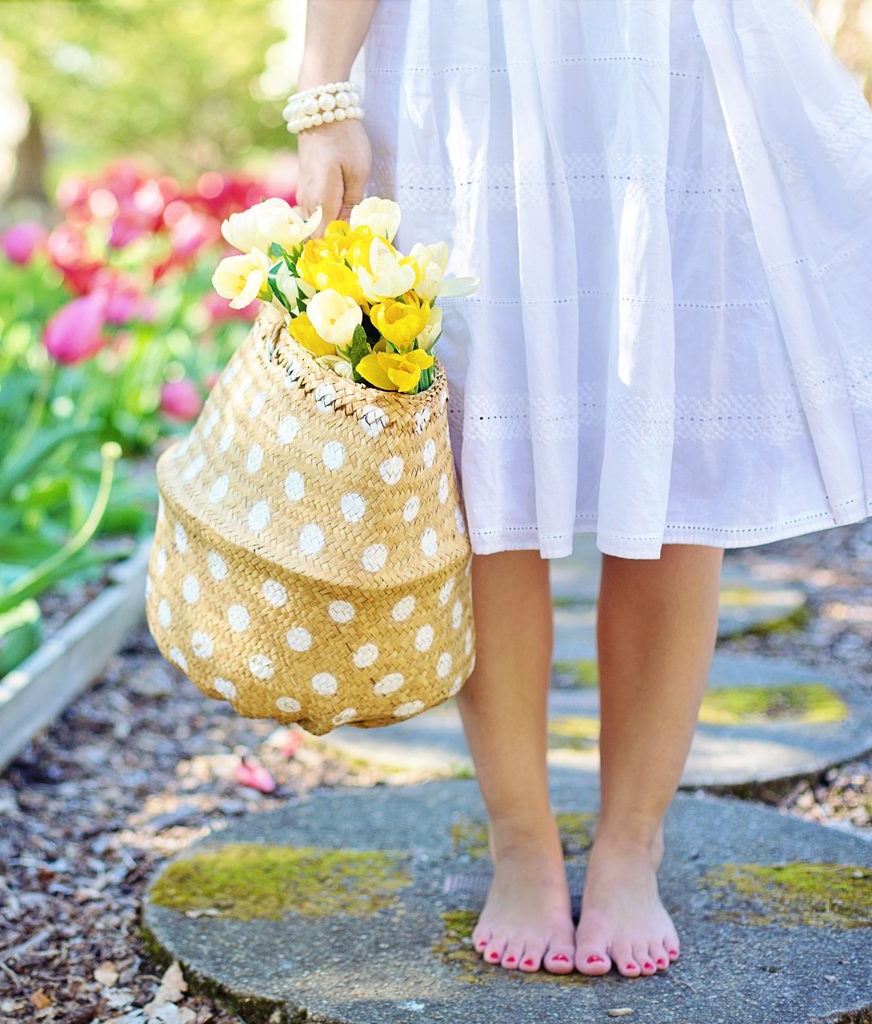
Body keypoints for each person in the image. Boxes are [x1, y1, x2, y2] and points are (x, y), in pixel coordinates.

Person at [291, 0, 872, 978]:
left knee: (676, 451)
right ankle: (519, 835)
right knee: (479, 449)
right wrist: (323, 93)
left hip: (670, 55)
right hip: (467, 58)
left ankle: (629, 840)